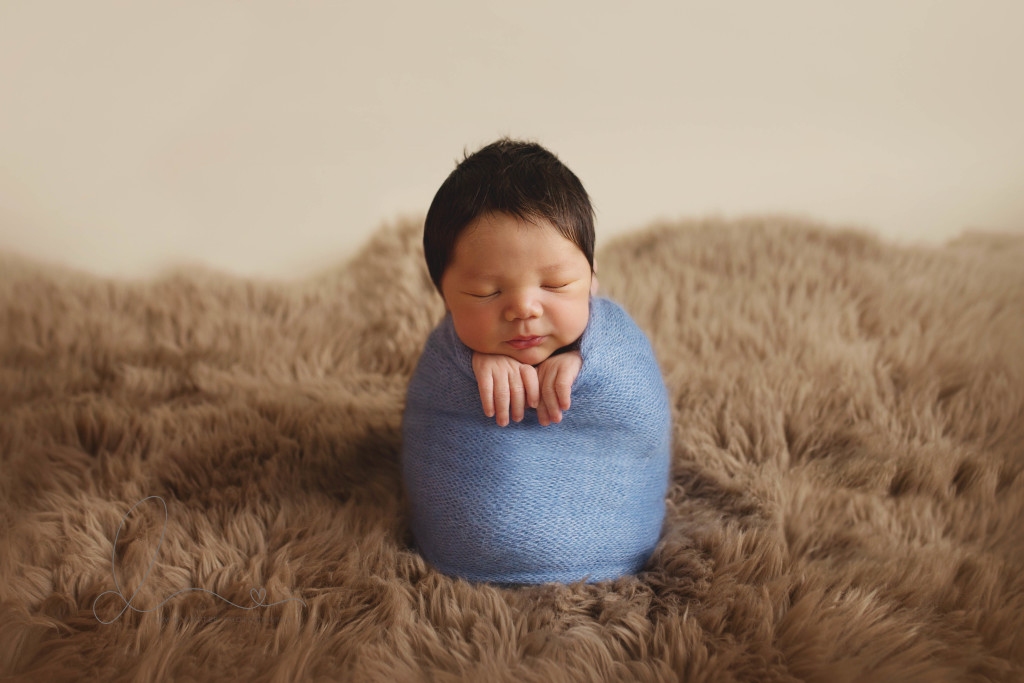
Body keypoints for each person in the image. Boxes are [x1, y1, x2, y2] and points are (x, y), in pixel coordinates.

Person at [402, 138, 671, 584]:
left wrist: (589, 365)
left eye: (557, 283)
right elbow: (433, 415)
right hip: (465, 552)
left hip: (615, 538)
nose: (524, 308)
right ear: (444, 297)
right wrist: (469, 366)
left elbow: (639, 405)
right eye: (487, 292)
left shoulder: (613, 340)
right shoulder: (445, 351)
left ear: (591, 277)